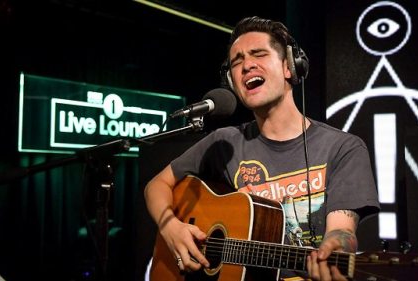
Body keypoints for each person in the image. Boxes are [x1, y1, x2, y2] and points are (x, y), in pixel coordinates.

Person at [144, 16, 380, 281]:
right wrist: (172, 227)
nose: (247, 66)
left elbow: (342, 232)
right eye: (237, 61)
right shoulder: (224, 142)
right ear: (232, 82)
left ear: (290, 66)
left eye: (259, 54)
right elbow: (156, 185)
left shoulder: (343, 148)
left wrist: (335, 248)